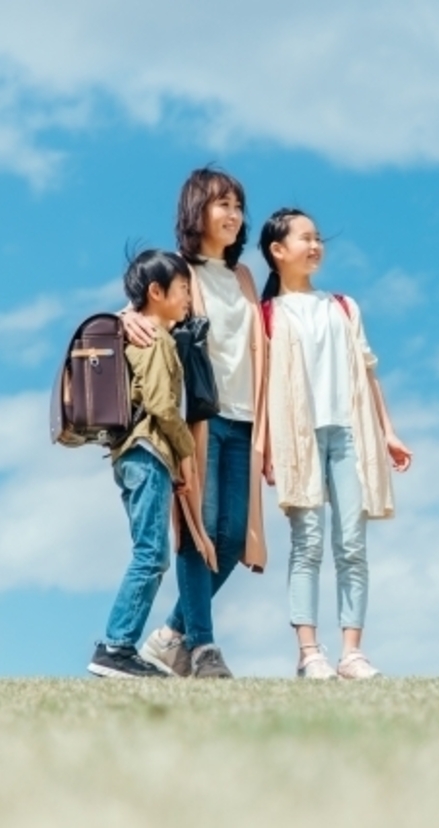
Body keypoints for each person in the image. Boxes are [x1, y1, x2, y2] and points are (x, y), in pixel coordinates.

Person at [123, 168, 270, 679]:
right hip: (200, 421)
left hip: (247, 420)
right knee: (194, 531)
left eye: (237, 205)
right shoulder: (178, 268)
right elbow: (141, 305)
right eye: (221, 204)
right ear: (196, 211)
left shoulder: (245, 277)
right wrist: (126, 316)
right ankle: (204, 648)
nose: (233, 214)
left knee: (231, 540)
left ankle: (169, 636)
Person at [260, 208, 412, 680]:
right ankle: (310, 653)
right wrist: (264, 447)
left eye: (318, 238)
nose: (315, 245)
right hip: (298, 437)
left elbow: (368, 372)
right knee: (306, 543)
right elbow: (262, 387)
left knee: (352, 544)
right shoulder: (266, 314)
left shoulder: (343, 306)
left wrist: (387, 432)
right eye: (305, 238)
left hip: (350, 432)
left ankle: (351, 653)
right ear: (277, 251)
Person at [88, 250, 195, 679]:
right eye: (184, 288)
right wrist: (185, 452)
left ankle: (118, 646)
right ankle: (116, 647)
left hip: (131, 455)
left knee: (149, 552)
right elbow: (161, 406)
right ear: (157, 292)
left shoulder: (135, 333)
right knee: (151, 554)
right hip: (148, 451)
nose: (189, 297)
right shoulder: (156, 337)